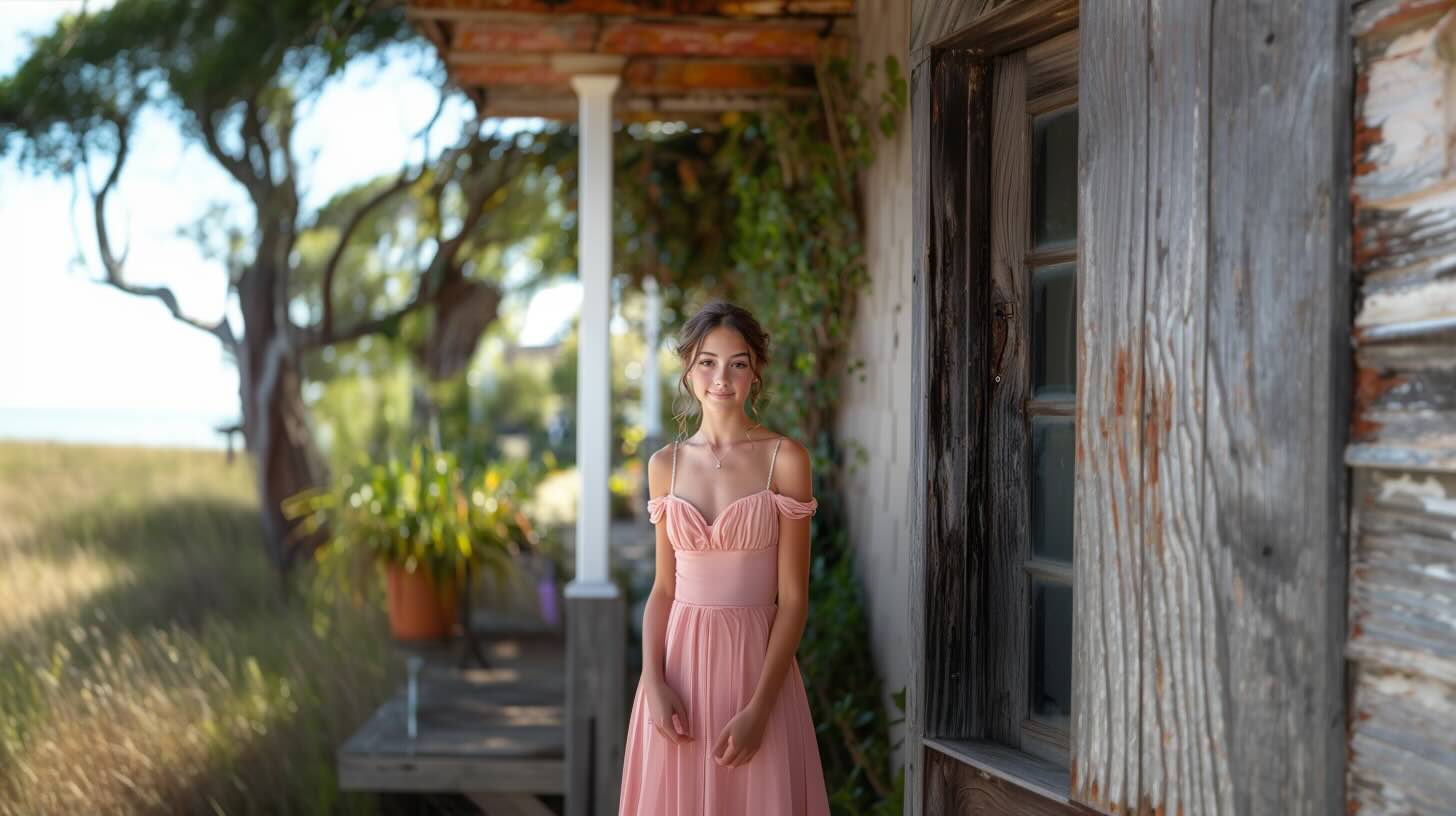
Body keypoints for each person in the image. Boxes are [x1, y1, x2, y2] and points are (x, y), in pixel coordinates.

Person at [617, 301, 830, 815]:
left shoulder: (786, 458)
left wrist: (760, 709)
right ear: (689, 369)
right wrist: (653, 682)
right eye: (708, 361)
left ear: (755, 371)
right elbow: (663, 591)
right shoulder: (663, 465)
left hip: (757, 676)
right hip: (679, 677)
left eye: (738, 362)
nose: (722, 377)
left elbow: (794, 600)